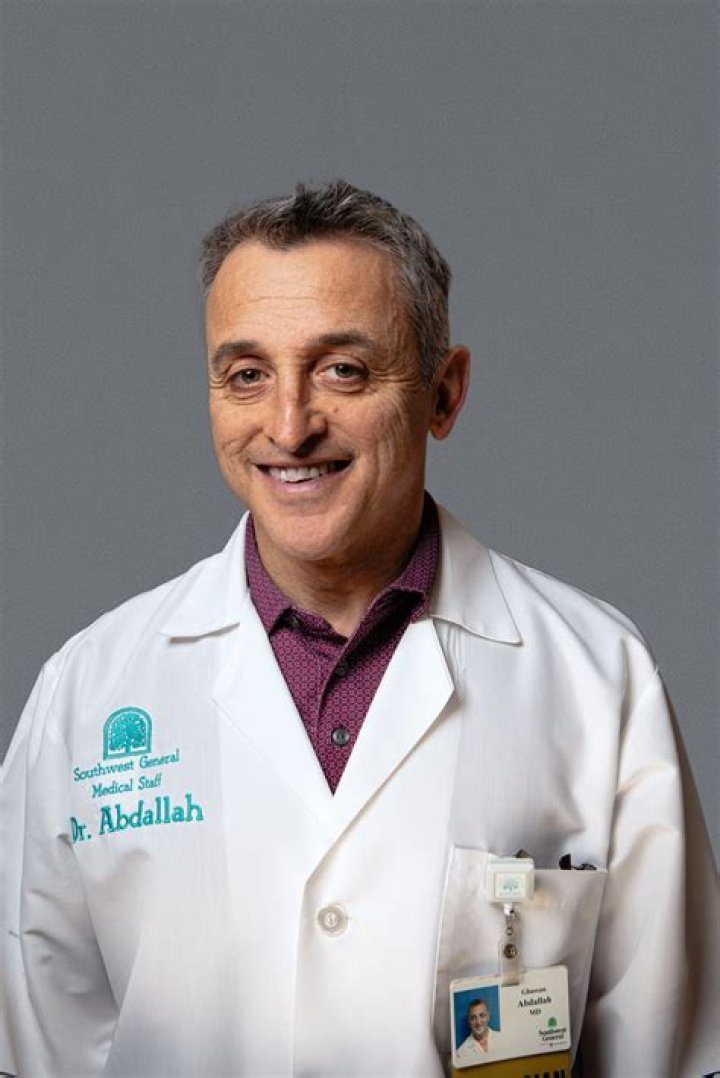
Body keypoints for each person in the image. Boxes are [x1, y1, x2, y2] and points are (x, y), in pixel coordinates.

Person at [0, 181, 717, 1077]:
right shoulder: (89, 691)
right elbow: (38, 1044)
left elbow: (667, 1049)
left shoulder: (598, 678)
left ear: (443, 395)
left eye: (342, 370)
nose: (289, 426)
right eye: (247, 375)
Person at [455, 998, 496, 1063]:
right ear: (469, 1022)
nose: (478, 1022)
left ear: (488, 1017)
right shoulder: (461, 1053)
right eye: (473, 1018)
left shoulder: (502, 1038)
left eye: (482, 1016)